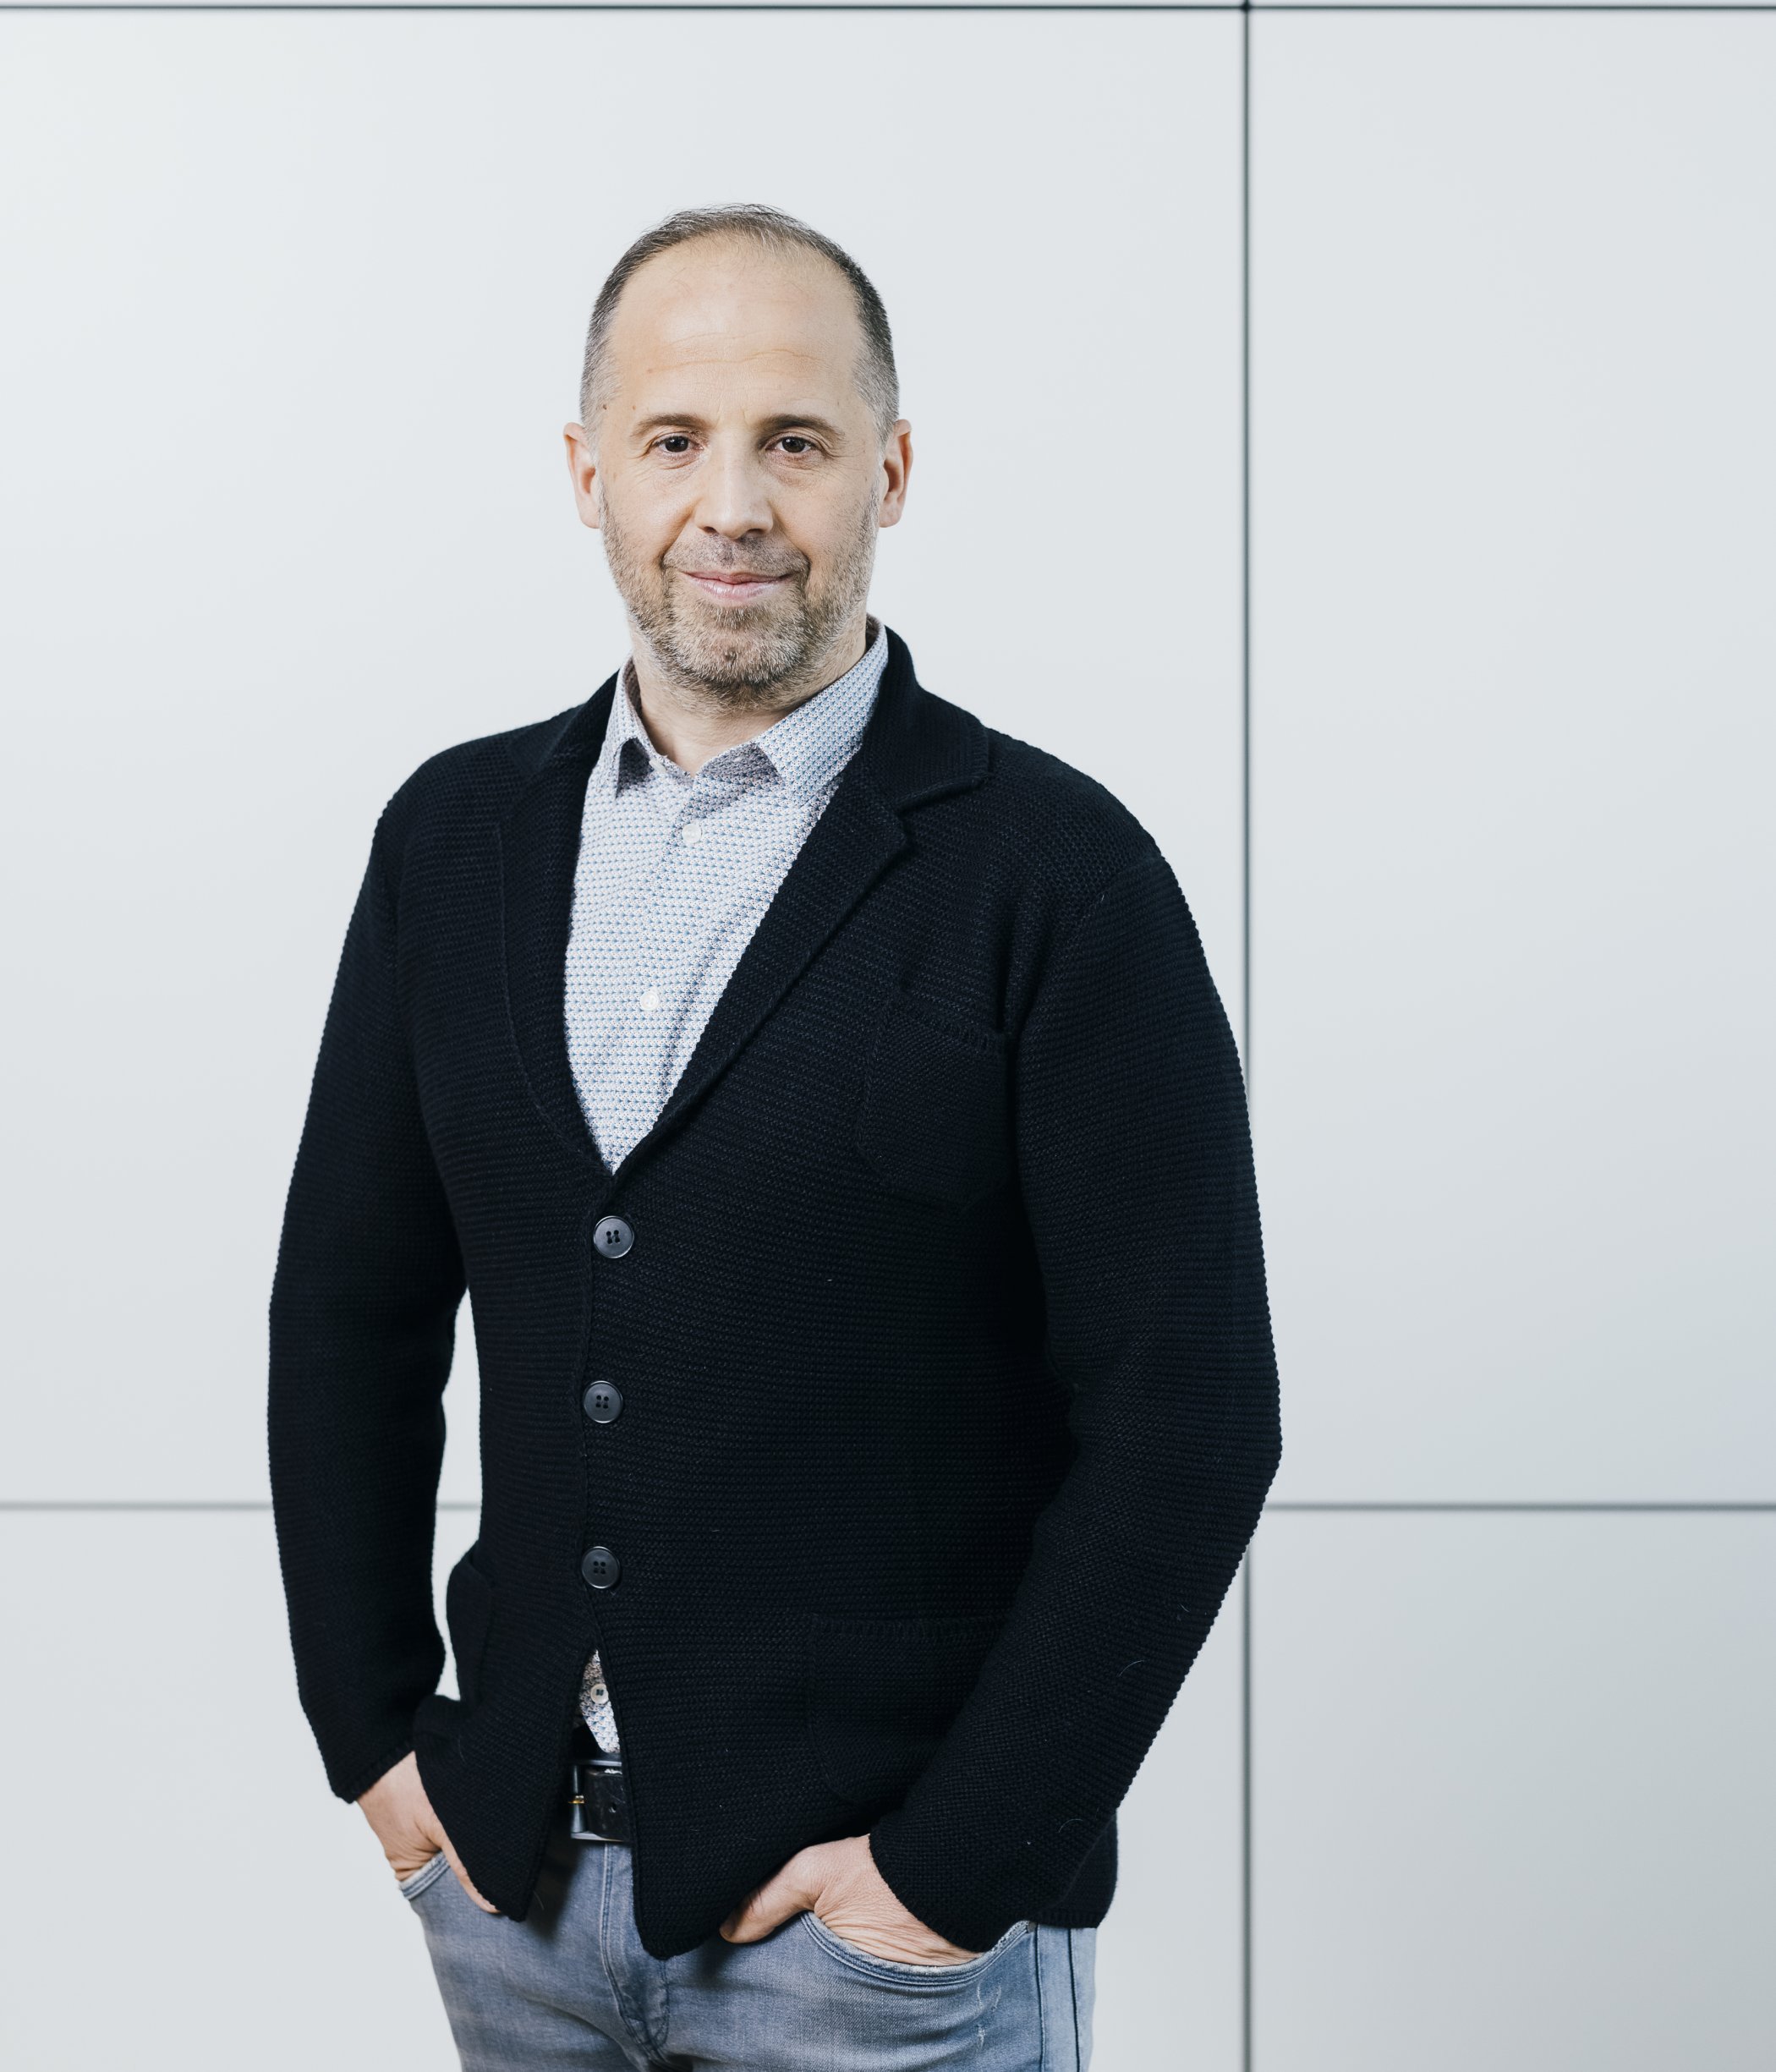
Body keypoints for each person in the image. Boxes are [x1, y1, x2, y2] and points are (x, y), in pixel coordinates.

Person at [268, 201, 1282, 2071]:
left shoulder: (1056, 877)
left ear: (887, 471)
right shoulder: (453, 843)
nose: (732, 503)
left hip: (879, 1955)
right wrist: (377, 1743)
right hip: (517, 1907)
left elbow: (1191, 1410)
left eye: (795, 442)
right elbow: (350, 1315)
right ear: (588, 473)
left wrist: (953, 1874)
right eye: (675, 439)